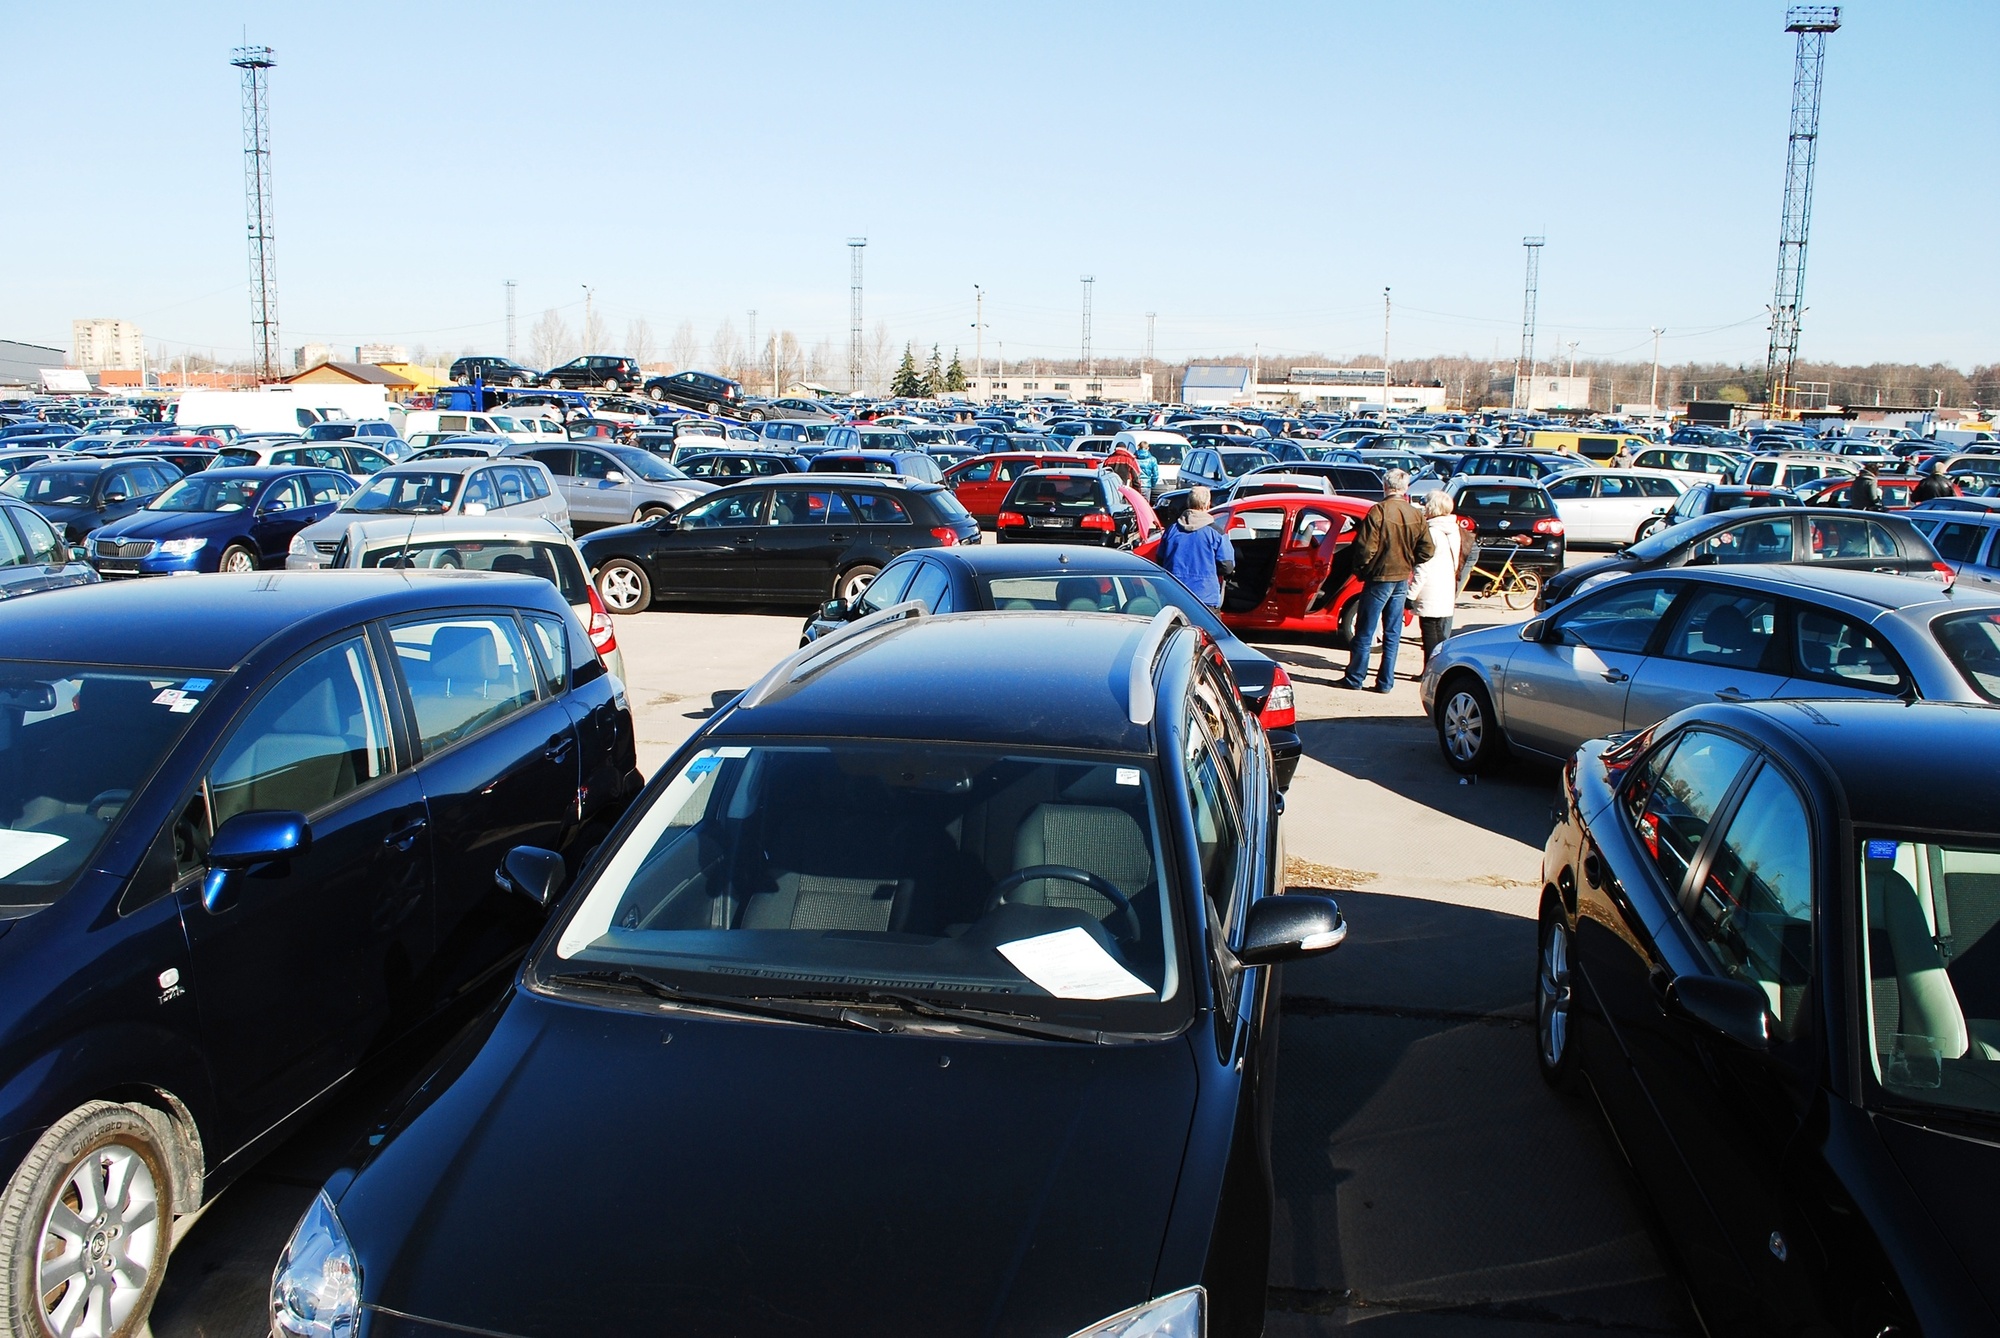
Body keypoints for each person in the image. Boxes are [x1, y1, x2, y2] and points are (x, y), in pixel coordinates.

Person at [1339, 468, 1434, 693]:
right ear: (1405, 488)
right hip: (1401, 577)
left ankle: (1355, 678)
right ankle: (1385, 682)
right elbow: (1427, 550)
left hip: (1380, 577)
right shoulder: (1415, 514)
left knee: (1365, 630)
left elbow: (1365, 548)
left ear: (1385, 487)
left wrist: (1362, 570)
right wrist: (1409, 560)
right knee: (1392, 633)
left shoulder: (1379, 512)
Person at [1157, 484, 1234, 610]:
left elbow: (1160, 559)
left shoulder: (1172, 530)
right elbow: (1227, 566)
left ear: (1188, 503)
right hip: (1205, 597)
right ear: (1208, 504)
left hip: (1175, 594)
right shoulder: (1216, 533)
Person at [1409, 491, 1464, 665]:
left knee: (1429, 630)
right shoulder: (1452, 530)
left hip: (1430, 587)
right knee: (1437, 629)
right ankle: (1440, 664)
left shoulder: (1432, 532)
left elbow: (1423, 566)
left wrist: (1411, 593)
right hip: (1445, 585)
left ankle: (1431, 668)